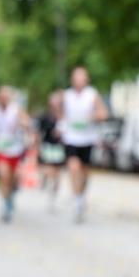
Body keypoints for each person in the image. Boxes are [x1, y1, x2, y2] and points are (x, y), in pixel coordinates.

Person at [61, 66, 109, 223]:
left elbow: (104, 113)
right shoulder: (66, 95)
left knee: (85, 173)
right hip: (71, 138)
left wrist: (94, 116)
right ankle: (76, 199)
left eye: (82, 77)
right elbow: (60, 114)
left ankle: (81, 196)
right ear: (72, 79)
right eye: (76, 77)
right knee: (73, 168)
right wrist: (60, 126)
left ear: (86, 79)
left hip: (87, 139)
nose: (79, 80)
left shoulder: (92, 95)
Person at [0, 86, 32, 223]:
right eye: (1, 97)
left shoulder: (16, 109)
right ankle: (6, 205)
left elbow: (27, 123)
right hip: (1, 149)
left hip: (15, 149)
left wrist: (23, 124)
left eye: (5, 96)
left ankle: (11, 194)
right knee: (4, 176)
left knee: (13, 179)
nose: (3, 99)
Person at [37, 91, 67, 212]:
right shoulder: (45, 116)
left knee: (57, 174)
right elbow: (40, 133)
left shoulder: (65, 116)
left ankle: (53, 196)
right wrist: (38, 146)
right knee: (49, 171)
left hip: (59, 147)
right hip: (48, 146)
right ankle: (46, 184)